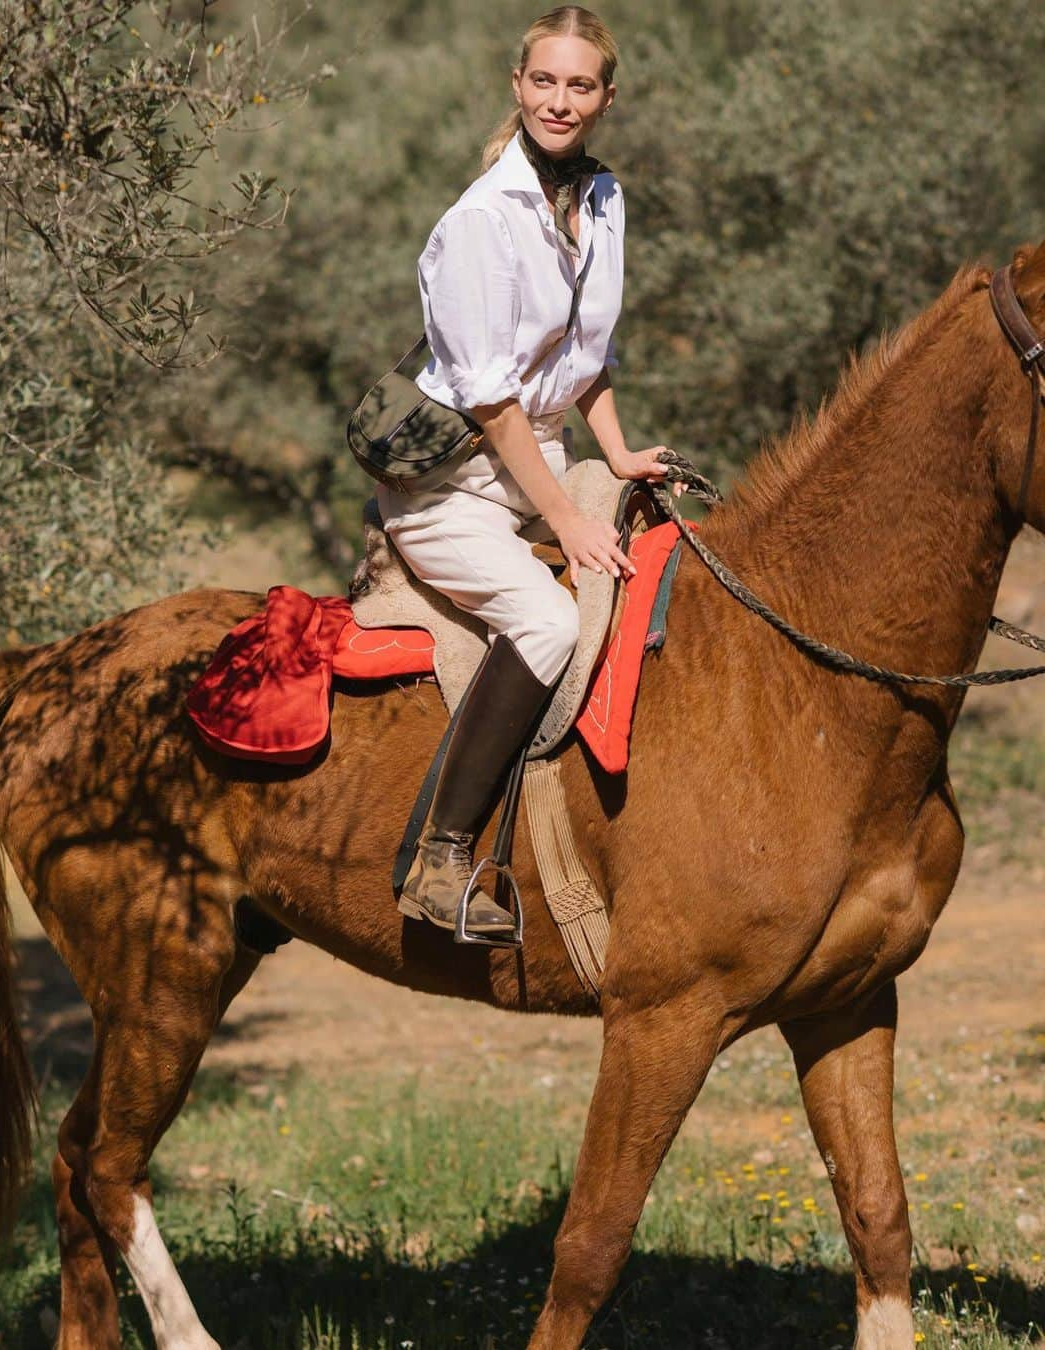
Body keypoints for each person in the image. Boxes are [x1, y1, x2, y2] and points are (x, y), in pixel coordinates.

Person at [378, 5, 672, 941]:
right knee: (547, 621)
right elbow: (494, 402)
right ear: (519, 85)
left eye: (579, 84)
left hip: (538, 459)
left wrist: (617, 455)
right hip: (452, 486)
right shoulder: (477, 222)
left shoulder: (604, 199)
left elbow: (587, 355)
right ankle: (443, 857)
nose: (560, 100)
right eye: (544, 81)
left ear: (606, 98)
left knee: (657, 544)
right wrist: (569, 519)